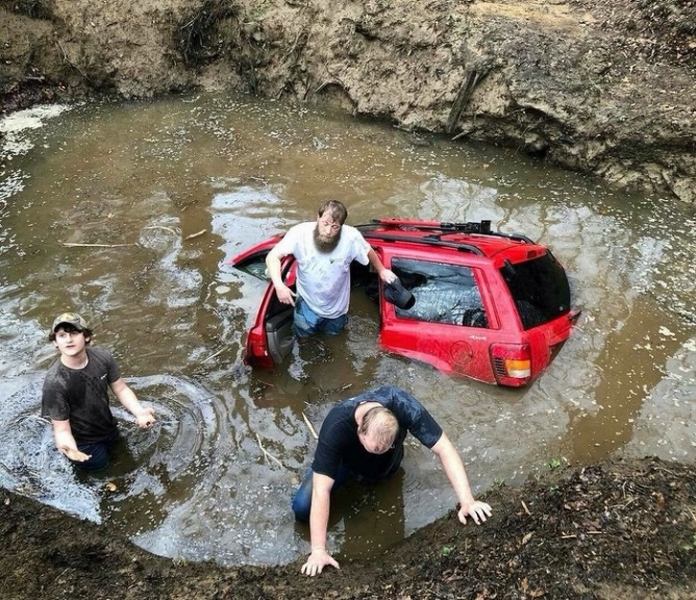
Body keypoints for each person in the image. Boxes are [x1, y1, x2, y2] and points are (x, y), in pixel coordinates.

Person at [292, 386, 492, 576]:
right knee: (301, 507)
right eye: (374, 448)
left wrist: (467, 500)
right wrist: (318, 549)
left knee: (391, 536)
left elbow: (444, 448)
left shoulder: (403, 405)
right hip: (345, 465)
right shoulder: (336, 425)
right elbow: (321, 490)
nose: (377, 451)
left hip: (386, 468)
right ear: (360, 429)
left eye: (384, 447)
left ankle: (382, 464)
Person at [265, 200, 397, 339]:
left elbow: (368, 251)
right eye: (325, 224)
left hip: (337, 311)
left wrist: (382, 270)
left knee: (333, 339)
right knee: (303, 338)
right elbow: (272, 257)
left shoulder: (351, 237)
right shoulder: (299, 233)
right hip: (306, 304)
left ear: (342, 226)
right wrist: (279, 286)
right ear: (318, 218)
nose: (328, 231)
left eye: (335, 226)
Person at [41, 312, 156, 471]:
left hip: (109, 428)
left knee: (128, 464)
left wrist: (139, 412)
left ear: (86, 336)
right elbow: (61, 429)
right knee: (102, 476)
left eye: (74, 333)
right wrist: (72, 450)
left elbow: (121, 388)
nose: (68, 340)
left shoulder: (102, 358)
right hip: (84, 444)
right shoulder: (55, 383)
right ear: (55, 342)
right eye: (61, 335)